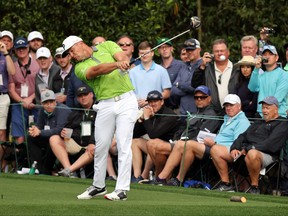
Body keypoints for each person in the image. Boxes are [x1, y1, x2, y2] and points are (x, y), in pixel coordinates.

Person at [62, 35, 138, 201]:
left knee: (124, 143)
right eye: (69, 54)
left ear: (80, 44)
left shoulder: (108, 45)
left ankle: (122, 189)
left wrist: (122, 60)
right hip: (104, 104)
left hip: (126, 100)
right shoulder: (79, 68)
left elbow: (121, 56)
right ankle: (98, 185)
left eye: (72, 51)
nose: (72, 56)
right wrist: (117, 64)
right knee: (101, 146)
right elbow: (96, 71)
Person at [149, 86, 221, 184]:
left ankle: (161, 177)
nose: (199, 100)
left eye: (202, 97)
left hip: (195, 146)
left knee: (158, 146)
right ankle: (160, 177)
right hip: (181, 143)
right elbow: (180, 130)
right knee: (151, 143)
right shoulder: (194, 113)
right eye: (196, 97)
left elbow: (201, 137)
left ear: (209, 98)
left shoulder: (211, 115)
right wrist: (176, 139)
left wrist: (182, 141)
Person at [229, 96, 288, 194]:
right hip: (247, 153)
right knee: (221, 151)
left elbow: (271, 145)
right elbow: (242, 136)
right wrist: (234, 148)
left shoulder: (282, 123)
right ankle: (226, 185)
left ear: (276, 109)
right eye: (263, 108)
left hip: (270, 156)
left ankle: (254, 187)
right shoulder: (258, 122)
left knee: (252, 153)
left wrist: (248, 148)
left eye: (267, 108)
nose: (264, 110)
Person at [131, 90, 180, 182]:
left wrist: (146, 118)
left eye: (155, 101)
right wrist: (141, 118)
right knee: (135, 141)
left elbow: (154, 135)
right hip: (156, 145)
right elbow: (134, 134)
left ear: (162, 101)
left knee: (152, 143)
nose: (152, 104)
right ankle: (137, 176)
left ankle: (147, 175)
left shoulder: (168, 115)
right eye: (150, 102)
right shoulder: (151, 113)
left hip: (172, 147)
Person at [206, 94, 251, 191]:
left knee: (215, 150)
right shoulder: (227, 118)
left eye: (231, 105)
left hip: (234, 151)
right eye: (226, 106)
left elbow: (238, 142)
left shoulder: (242, 121)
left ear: (239, 106)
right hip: (220, 147)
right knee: (187, 145)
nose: (228, 108)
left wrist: (214, 144)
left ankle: (226, 183)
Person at [50, 86, 96, 177]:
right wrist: (62, 133)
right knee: (54, 139)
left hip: (92, 144)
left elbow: (101, 129)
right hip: (76, 143)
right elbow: (65, 127)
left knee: (96, 147)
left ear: (91, 95)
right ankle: (69, 172)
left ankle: (70, 170)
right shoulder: (75, 111)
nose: (83, 98)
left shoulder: (99, 109)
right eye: (80, 96)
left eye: (85, 95)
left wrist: (92, 142)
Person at [192, 39, 239, 116]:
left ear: (228, 52)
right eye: (216, 51)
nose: (219, 53)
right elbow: (195, 84)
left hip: (233, 112)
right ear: (212, 54)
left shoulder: (237, 69)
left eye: (222, 51)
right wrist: (202, 66)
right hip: (213, 113)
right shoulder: (207, 68)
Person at [28, 89, 71, 175]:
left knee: (52, 140)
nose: (49, 105)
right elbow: (39, 125)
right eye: (46, 103)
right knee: (31, 137)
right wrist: (34, 130)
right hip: (50, 136)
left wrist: (40, 132)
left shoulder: (62, 109)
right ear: (42, 103)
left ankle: (46, 171)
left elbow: (58, 130)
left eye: (51, 102)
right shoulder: (42, 110)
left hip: (65, 139)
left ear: (55, 101)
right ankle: (37, 169)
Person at [8, 37, 40, 145]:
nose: (21, 51)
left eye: (23, 48)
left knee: (35, 135)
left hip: (35, 103)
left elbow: (43, 86)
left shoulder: (38, 63)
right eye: (18, 49)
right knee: (20, 138)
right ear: (15, 51)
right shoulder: (12, 66)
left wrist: (30, 99)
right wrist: (22, 101)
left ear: (27, 47)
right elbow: (11, 89)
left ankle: (33, 161)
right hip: (18, 104)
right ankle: (20, 160)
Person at [129, 40, 172, 108]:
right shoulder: (132, 72)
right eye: (141, 53)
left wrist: (149, 100)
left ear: (152, 53)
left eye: (147, 52)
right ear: (138, 54)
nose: (144, 55)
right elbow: (129, 93)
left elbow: (167, 93)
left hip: (156, 109)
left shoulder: (162, 70)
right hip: (136, 109)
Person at [249, 45, 288, 117]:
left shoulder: (284, 75)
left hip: (278, 116)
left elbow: (277, 99)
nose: (267, 56)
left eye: (270, 54)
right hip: (262, 115)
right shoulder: (261, 75)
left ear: (276, 58)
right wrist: (256, 69)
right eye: (265, 54)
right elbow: (252, 88)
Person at [170, 38, 202, 120]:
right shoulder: (184, 66)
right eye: (187, 50)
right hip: (183, 113)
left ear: (199, 50)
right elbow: (173, 90)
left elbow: (196, 88)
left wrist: (180, 84)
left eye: (192, 49)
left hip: (198, 114)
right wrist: (188, 88)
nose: (189, 52)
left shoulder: (203, 66)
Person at [156, 37, 187, 110]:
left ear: (171, 49)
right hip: (162, 108)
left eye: (166, 47)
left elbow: (183, 87)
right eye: (161, 47)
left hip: (178, 107)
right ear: (158, 51)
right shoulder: (157, 69)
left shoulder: (181, 65)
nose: (164, 49)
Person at [0, 38, 16, 169]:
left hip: (2, 96)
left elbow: (12, 72)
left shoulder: (7, 56)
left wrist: (5, 53)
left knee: (1, 133)